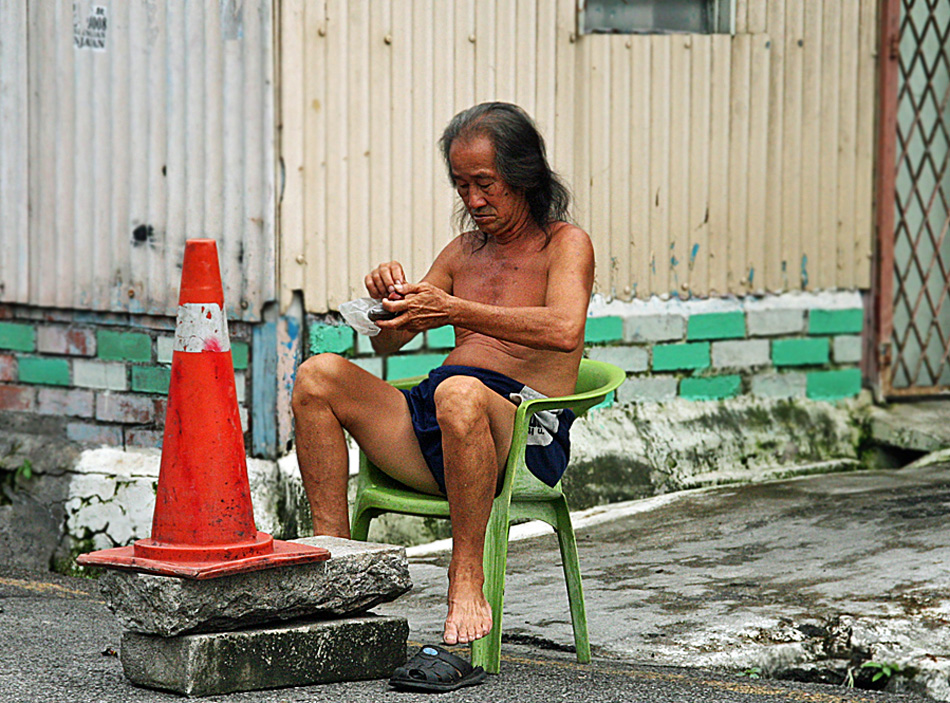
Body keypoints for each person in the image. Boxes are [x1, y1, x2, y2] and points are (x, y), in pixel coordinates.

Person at [292, 102, 594, 651]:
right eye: (461, 186)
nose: (474, 201)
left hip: (520, 433)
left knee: (460, 393)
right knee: (317, 376)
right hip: (439, 427)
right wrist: (386, 302)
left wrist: (455, 310)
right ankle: (331, 564)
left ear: (524, 176)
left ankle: (466, 578)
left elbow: (564, 330)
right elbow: (390, 338)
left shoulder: (565, 244)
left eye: (486, 184)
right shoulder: (462, 251)